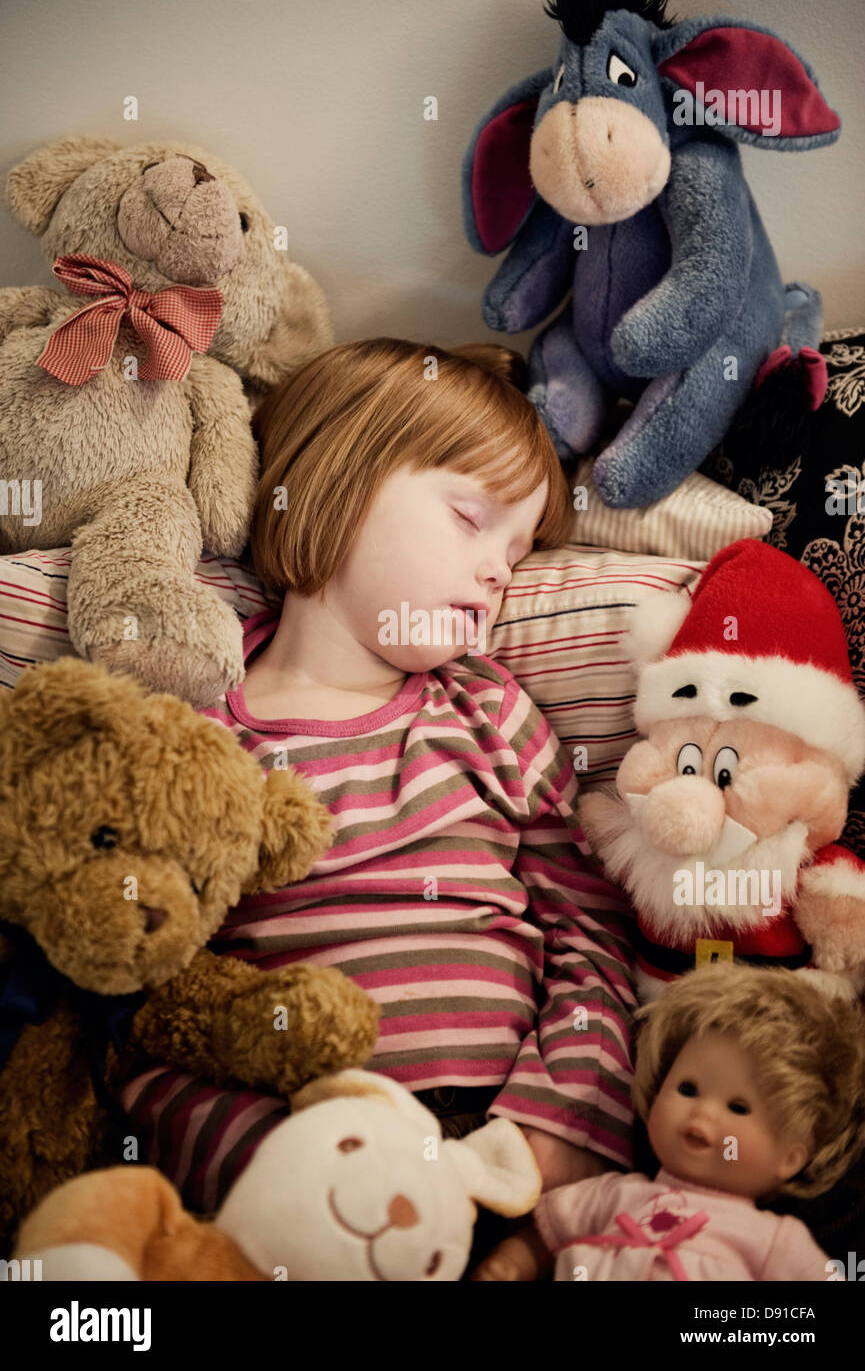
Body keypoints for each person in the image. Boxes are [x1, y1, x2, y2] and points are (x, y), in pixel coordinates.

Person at [117, 336, 638, 1278]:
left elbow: (595, 940)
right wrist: (269, 1169)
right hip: (310, 1170)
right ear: (335, 480)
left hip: (505, 1150)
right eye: (470, 520)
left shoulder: (490, 712)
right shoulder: (195, 742)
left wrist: (553, 1131)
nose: (497, 574)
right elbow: (152, 1007)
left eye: (517, 553)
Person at [472, 963, 865, 1280]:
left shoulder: (775, 1241)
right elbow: (544, 1235)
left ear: (791, 1157)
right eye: (688, 1089)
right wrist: (507, 1266)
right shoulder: (612, 1194)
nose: (703, 1112)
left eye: (739, 1108)